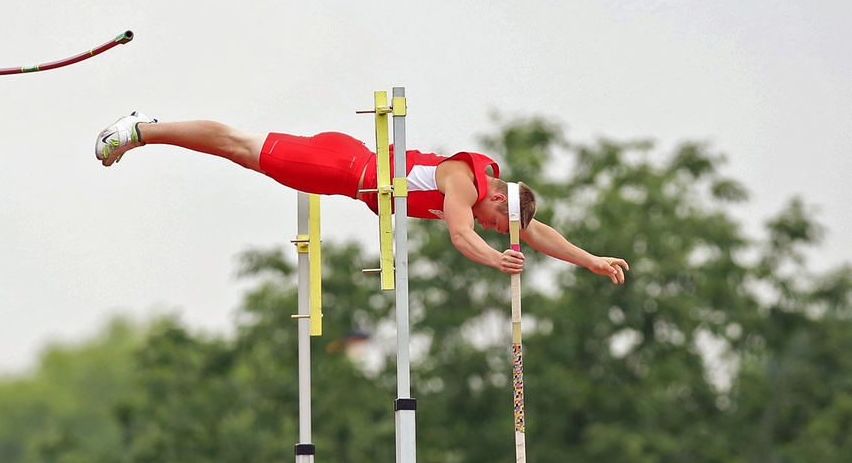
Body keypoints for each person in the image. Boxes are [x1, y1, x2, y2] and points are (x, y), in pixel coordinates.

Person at [95, 112, 629, 283]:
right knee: (239, 145)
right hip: (341, 168)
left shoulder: (495, 191)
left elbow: (536, 232)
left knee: (237, 154)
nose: (496, 229)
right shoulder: (464, 184)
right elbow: (463, 235)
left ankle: (147, 132)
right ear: (497, 202)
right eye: (499, 224)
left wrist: (591, 261)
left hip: (343, 173)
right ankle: (142, 129)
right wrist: (497, 260)